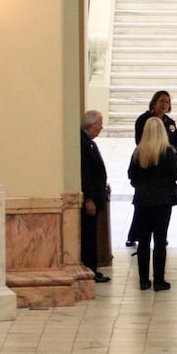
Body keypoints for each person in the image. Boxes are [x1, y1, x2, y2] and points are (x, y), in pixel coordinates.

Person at [127, 115, 177, 291]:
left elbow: (131, 175)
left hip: (143, 200)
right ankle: (159, 280)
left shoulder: (138, 152)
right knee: (160, 240)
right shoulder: (167, 152)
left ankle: (143, 280)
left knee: (143, 241)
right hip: (162, 201)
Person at [125, 90, 177, 248]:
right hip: (147, 167)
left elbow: (176, 141)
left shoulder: (170, 123)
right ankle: (134, 234)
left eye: (167, 102)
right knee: (141, 214)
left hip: (162, 176)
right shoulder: (144, 120)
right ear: (154, 102)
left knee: (159, 233)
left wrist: (169, 153)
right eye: (161, 101)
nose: (164, 104)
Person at [79, 110, 111, 284]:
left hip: (95, 197)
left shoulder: (88, 142)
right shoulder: (83, 143)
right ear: (91, 125)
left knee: (92, 234)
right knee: (89, 236)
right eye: (99, 125)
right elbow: (85, 173)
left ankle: (93, 268)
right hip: (89, 201)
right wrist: (89, 199)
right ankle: (90, 269)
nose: (101, 128)